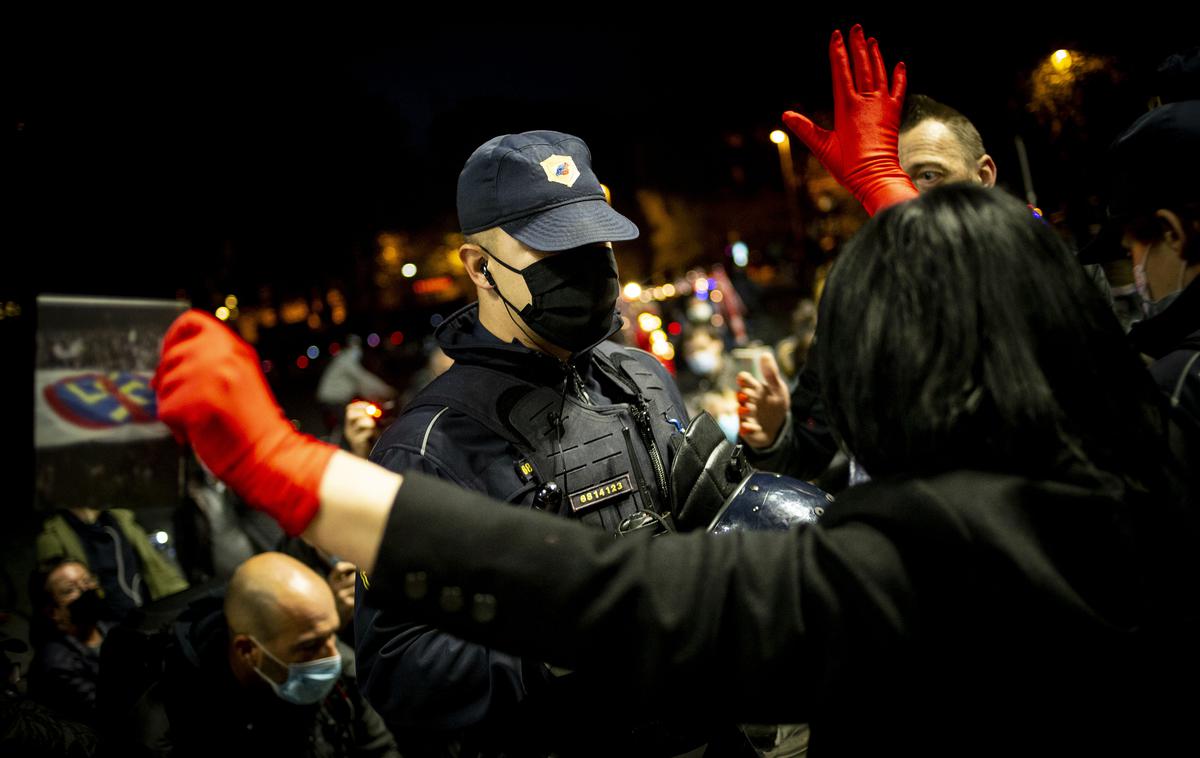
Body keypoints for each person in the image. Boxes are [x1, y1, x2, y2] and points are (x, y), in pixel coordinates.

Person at [153, 182, 1198, 755]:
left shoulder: (926, 559)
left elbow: (632, 590)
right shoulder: (1142, 478)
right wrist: (928, 227)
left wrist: (293, 470)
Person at [354, 130, 720, 755]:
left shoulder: (642, 377)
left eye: (594, 241)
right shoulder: (427, 448)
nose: (588, 267)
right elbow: (397, 665)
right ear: (479, 267)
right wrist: (554, 649)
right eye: (555, 249)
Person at [126, 552, 398, 758]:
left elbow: (381, 750)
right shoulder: (169, 730)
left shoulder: (341, 670)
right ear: (247, 651)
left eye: (332, 635)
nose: (332, 656)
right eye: (309, 645)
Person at [36, 505, 189, 622]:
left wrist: (185, 603)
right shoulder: (55, 535)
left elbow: (157, 568)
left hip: (145, 614)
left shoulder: (119, 520)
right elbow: (52, 593)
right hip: (103, 626)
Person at [26, 559, 110, 725]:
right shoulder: (56, 664)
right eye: (69, 589)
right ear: (52, 611)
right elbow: (106, 714)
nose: (86, 589)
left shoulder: (113, 629)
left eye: (87, 580)